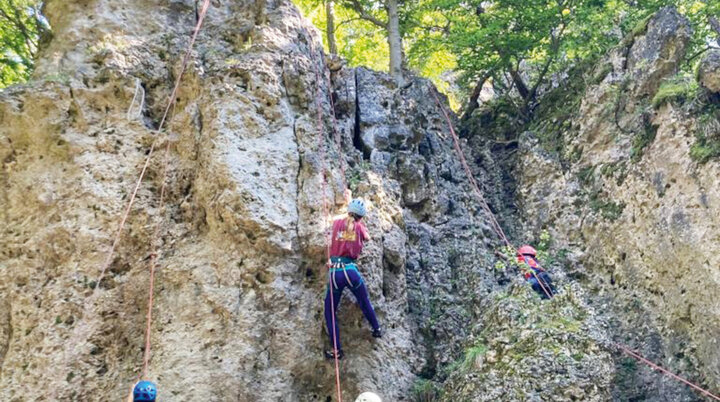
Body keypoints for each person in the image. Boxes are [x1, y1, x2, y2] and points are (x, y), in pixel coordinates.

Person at [324, 198, 382, 360]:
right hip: (351, 271)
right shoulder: (359, 227)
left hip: (335, 273)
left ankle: (337, 350)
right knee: (364, 301)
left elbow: (330, 231)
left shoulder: (336, 224)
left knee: (330, 311)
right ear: (361, 217)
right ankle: (376, 328)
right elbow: (368, 238)